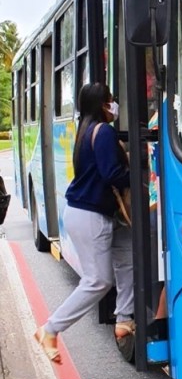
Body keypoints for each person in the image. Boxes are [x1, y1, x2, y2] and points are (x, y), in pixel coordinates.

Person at [34, 82, 133, 364]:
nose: (115, 105)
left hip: (90, 213)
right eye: (111, 100)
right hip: (90, 216)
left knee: (127, 257)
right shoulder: (102, 132)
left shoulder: (86, 130)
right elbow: (111, 173)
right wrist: (139, 173)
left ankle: (124, 318)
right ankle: (50, 329)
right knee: (98, 280)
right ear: (102, 104)